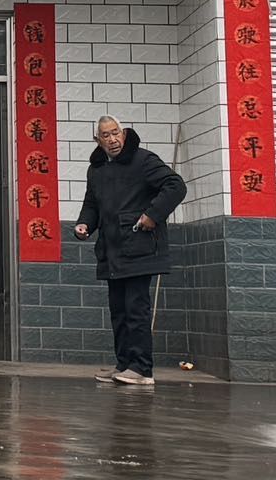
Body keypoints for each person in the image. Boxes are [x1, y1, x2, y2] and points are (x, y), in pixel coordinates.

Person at [74, 115, 186, 387]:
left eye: (116, 133)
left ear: (123, 134)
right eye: (105, 135)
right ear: (97, 140)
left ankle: (142, 369)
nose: (112, 139)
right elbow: (92, 204)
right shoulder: (97, 169)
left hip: (139, 247)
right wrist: (85, 223)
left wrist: (153, 215)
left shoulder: (143, 160)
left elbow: (176, 186)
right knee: (119, 312)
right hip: (111, 250)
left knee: (136, 310)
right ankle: (124, 364)